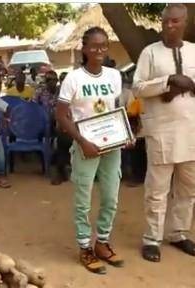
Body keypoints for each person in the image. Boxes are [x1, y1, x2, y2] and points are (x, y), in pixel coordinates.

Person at [55, 27, 125, 274]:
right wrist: (82, 141)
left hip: (111, 146)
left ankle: (102, 242)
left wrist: (126, 135)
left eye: (103, 46)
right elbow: (61, 115)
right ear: (84, 49)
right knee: (83, 200)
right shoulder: (74, 78)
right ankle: (85, 247)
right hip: (85, 146)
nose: (99, 51)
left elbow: (117, 111)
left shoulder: (114, 76)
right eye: (94, 46)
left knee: (110, 197)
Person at [132, 4, 195, 262]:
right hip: (161, 132)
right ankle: (152, 239)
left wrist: (189, 84)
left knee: (188, 188)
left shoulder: (194, 51)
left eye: (175, 21)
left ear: (185, 22)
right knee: (156, 189)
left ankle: (179, 233)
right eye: (166, 21)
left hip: (192, 132)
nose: (169, 26)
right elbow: (137, 88)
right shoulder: (150, 53)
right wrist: (168, 82)